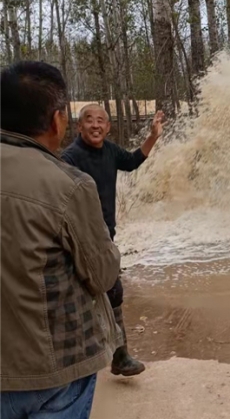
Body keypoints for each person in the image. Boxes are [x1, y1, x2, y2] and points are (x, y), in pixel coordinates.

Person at [1, 61, 122, 418]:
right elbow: (102, 275)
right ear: (58, 121)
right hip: (54, 367)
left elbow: (133, 159)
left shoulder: (105, 154)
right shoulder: (67, 182)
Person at [61, 104, 164, 377]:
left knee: (112, 293)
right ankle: (95, 359)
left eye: (101, 121)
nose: (95, 125)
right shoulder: (69, 158)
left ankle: (116, 356)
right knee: (90, 295)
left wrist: (153, 136)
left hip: (105, 237)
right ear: (79, 126)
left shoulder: (110, 151)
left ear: (108, 127)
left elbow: (132, 161)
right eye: (89, 120)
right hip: (79, 239)